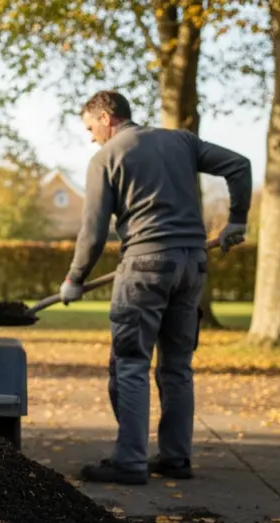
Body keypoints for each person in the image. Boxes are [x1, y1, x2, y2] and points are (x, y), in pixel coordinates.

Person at [59, 90, 252, 485]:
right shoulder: (181, 141)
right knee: (177, 365)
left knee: (129, 364)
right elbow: (239, 164)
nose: (90, 136)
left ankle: (129, 462)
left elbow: (93, 233)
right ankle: (175, 459)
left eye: (90, 127)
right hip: (191, 264)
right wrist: (237, 220)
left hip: (144, 266)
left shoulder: (106, 158)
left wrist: (74, 278)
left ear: (106, 118)